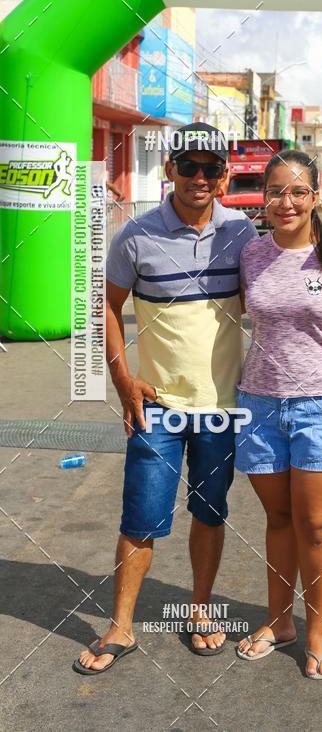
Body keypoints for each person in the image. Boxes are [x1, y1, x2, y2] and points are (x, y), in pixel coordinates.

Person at [73, 123, 257, 674]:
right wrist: (122, 380)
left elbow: (270, 298)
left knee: (210, 512)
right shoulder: (136, 235)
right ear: (171, 169)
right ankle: (121, 627)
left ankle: (199, 612)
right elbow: (105, 306)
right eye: (189, 166)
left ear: (223, 176)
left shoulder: (243, 234)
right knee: (141, 518)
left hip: (223, 407)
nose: (199, 178)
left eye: (210, 168)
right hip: (156, 406)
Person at [234, 149, 322, 679]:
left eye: (297, 192)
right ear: (264, 198)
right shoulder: (250, 254)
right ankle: (278, 621)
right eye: (275, 192)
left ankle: (316, 632)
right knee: (278, 519)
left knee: (316, 525)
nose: (285, 202)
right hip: (259, 402)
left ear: (316, 197)